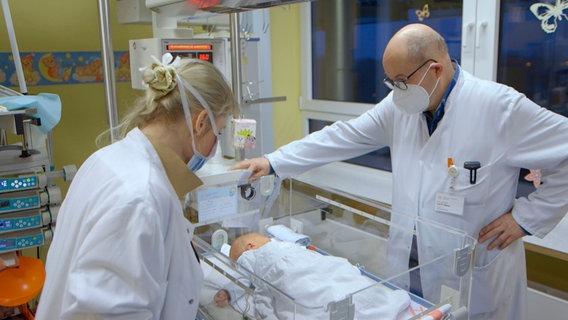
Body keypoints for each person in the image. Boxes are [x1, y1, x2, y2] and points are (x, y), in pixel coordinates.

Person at [231, 23, 568, 320]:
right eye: (391, 82)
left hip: (476, 271)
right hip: (412, 270)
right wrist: (274, 161)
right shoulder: (401, 108)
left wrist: (525, 218)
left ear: (436, 69)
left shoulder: (498, 108)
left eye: (402, 81)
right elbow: (343, 136)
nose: (396, 91)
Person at [35, 53, 237, 319]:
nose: (215, 146)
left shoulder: (107, 160)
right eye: (218, 132)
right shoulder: (140, 197)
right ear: (200, 123)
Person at [230, 233, 411, 320]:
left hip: (319, 272)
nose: (269, 239)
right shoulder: (274, 252)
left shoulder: (271, 254)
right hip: (330, 275)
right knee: (343, 286)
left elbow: (264, 299)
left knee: (330, 291)